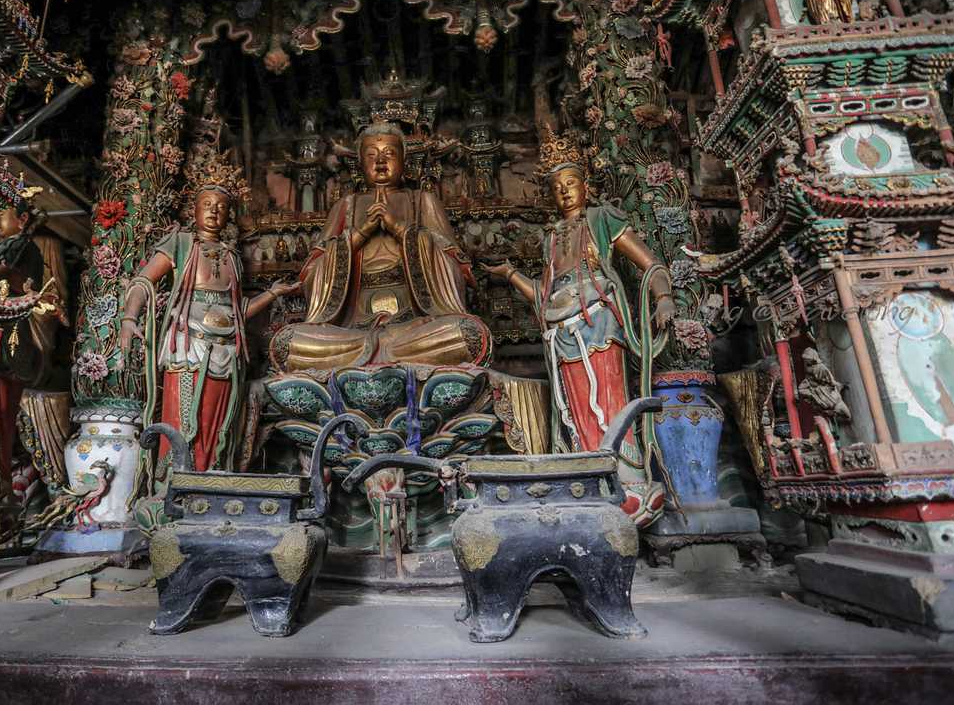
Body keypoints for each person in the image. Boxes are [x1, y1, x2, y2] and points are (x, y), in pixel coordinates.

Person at [486, 126, 675, 526]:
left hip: (598, 320)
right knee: (574, 408)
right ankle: (588, 476)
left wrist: (663, 297)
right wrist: (510, 275)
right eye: (557, 188)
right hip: (561, 331)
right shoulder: (552, 238)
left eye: (571, 183)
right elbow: (543, 295)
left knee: (608, 399)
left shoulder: (602, 219)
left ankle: (627, 479)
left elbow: (650, 264)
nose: (565, 192)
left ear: (586, 185)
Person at [268, 121, 491, 372]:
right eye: (371, 155)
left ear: (404, 161)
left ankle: (377, 352)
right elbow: (312, 271)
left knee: (466, 335)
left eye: (389, 154)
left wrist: (399, 229)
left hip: (414, 324)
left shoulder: (423, 201)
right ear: (360, 164)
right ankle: (384, 350)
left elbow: (456, 265)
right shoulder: (345, 206)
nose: (380, 161)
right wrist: (361, 233)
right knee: (288, 342)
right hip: (352, 328)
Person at [119, 151, 294, 471]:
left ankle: (213, 474)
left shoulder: (232, 257)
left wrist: (272, 294)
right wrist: (130, 318)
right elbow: (143, 281)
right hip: (188, 345)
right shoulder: (181, 243)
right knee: (185, 416)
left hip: (226, 349)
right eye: (207, 205)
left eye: (222, 207)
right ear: (194, 209)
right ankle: (175, 478)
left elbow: (238, 310)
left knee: (220, 421)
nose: (214, 211)